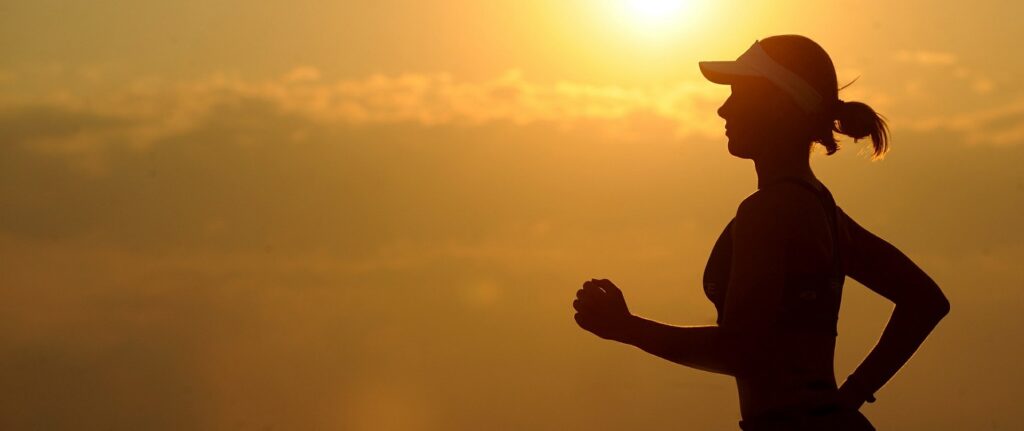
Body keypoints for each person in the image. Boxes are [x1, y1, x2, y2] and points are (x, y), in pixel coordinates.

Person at [571, 35, 950, 430]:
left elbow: (741, 349)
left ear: (779, 106)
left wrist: (627, 328)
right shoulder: (821, 209)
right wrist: (852, 395)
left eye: (739, 94)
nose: (722, 108)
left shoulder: (768, 211)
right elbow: (924, 300)